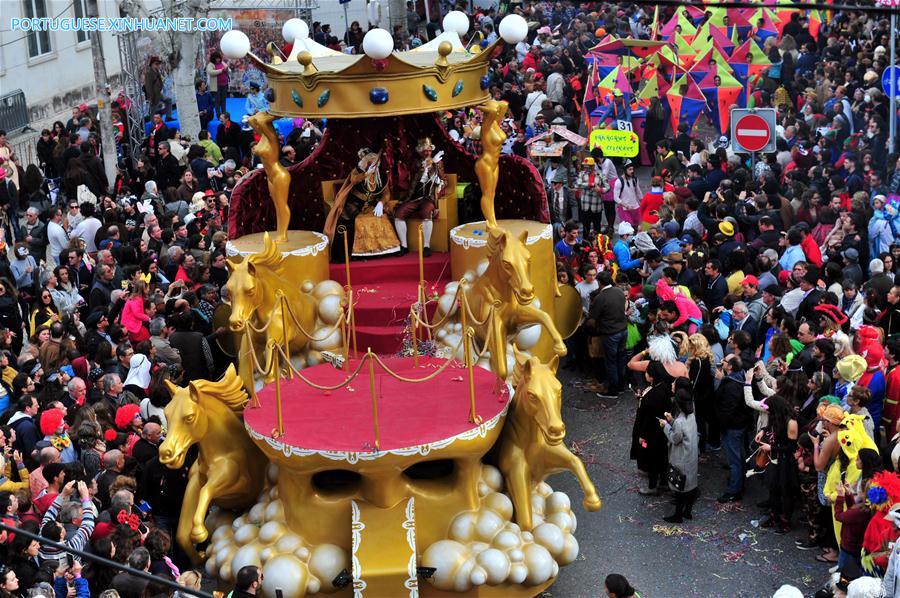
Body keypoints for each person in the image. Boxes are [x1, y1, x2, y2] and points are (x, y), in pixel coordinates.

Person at [324, 148, 400, 261]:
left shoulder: (382, 176)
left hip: (370, 205)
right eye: (371, 163)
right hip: (353, 204)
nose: (374, 166)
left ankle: (381, 250)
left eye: (376, 164)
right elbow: (354, 180)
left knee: (381, 218)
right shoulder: (357, 171)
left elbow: (386, 193)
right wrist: (366, 174)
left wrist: (381, 203)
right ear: (366, 163)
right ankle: (354, 253)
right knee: (355, 221)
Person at [394, 138, 446, 257]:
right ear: (420, 152)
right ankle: (404, 246)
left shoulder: (438, 163)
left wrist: (439, 182)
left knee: (427, 212)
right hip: (414, 198)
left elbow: (444, 180)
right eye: (424, 151)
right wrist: (429, 164)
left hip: (427, 198)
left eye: (429, 151)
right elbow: (415, 173)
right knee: (399, 213)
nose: (427, 153)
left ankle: (426, 246)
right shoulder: (416, 163)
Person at [661, 387, 699, 523]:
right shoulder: (692, 415)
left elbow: (675, 438)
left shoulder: (679, 422)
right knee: (691, 486)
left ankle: (678, 515)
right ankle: (687, 512)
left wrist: (666, 425)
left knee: (680, 488)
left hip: (681, 458)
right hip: (691, 455)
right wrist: (672, 422)